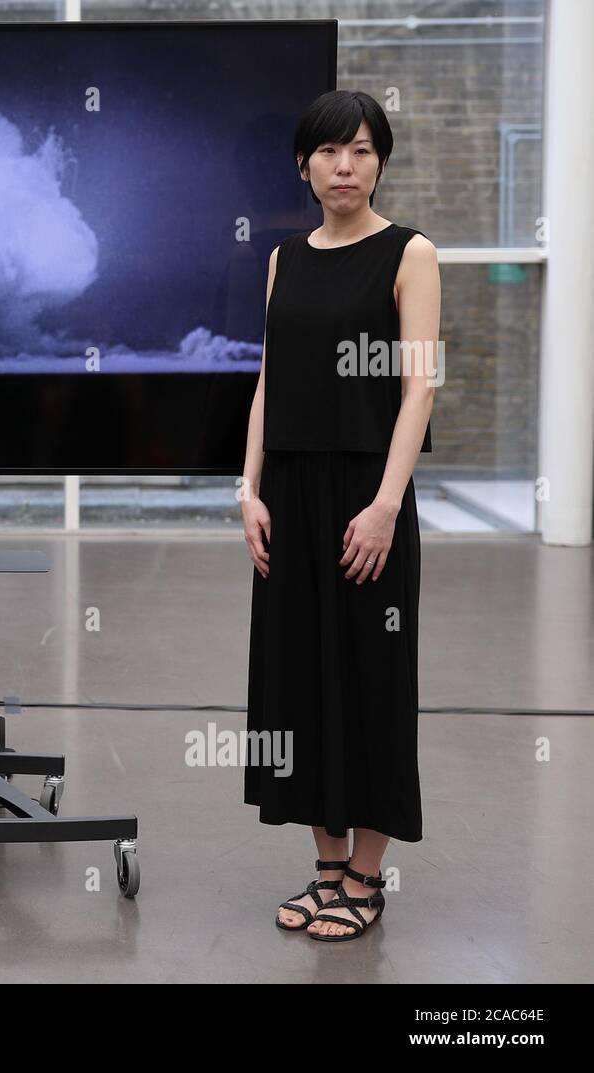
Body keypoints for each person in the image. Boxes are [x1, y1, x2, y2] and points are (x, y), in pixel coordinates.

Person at [241, 92, 439, 941]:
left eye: (361, 150)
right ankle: (325, 866)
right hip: (288, 494)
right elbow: (266, 380)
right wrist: (247, 490)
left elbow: (419, 384)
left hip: (368, 493)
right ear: (304, 165)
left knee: (372, 678)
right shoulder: (286, 257)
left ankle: (367, 873)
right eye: (329, 152)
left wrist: (387, 505)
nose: (345, 166)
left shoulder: (411, 252)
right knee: (297, 679)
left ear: (380, 161)